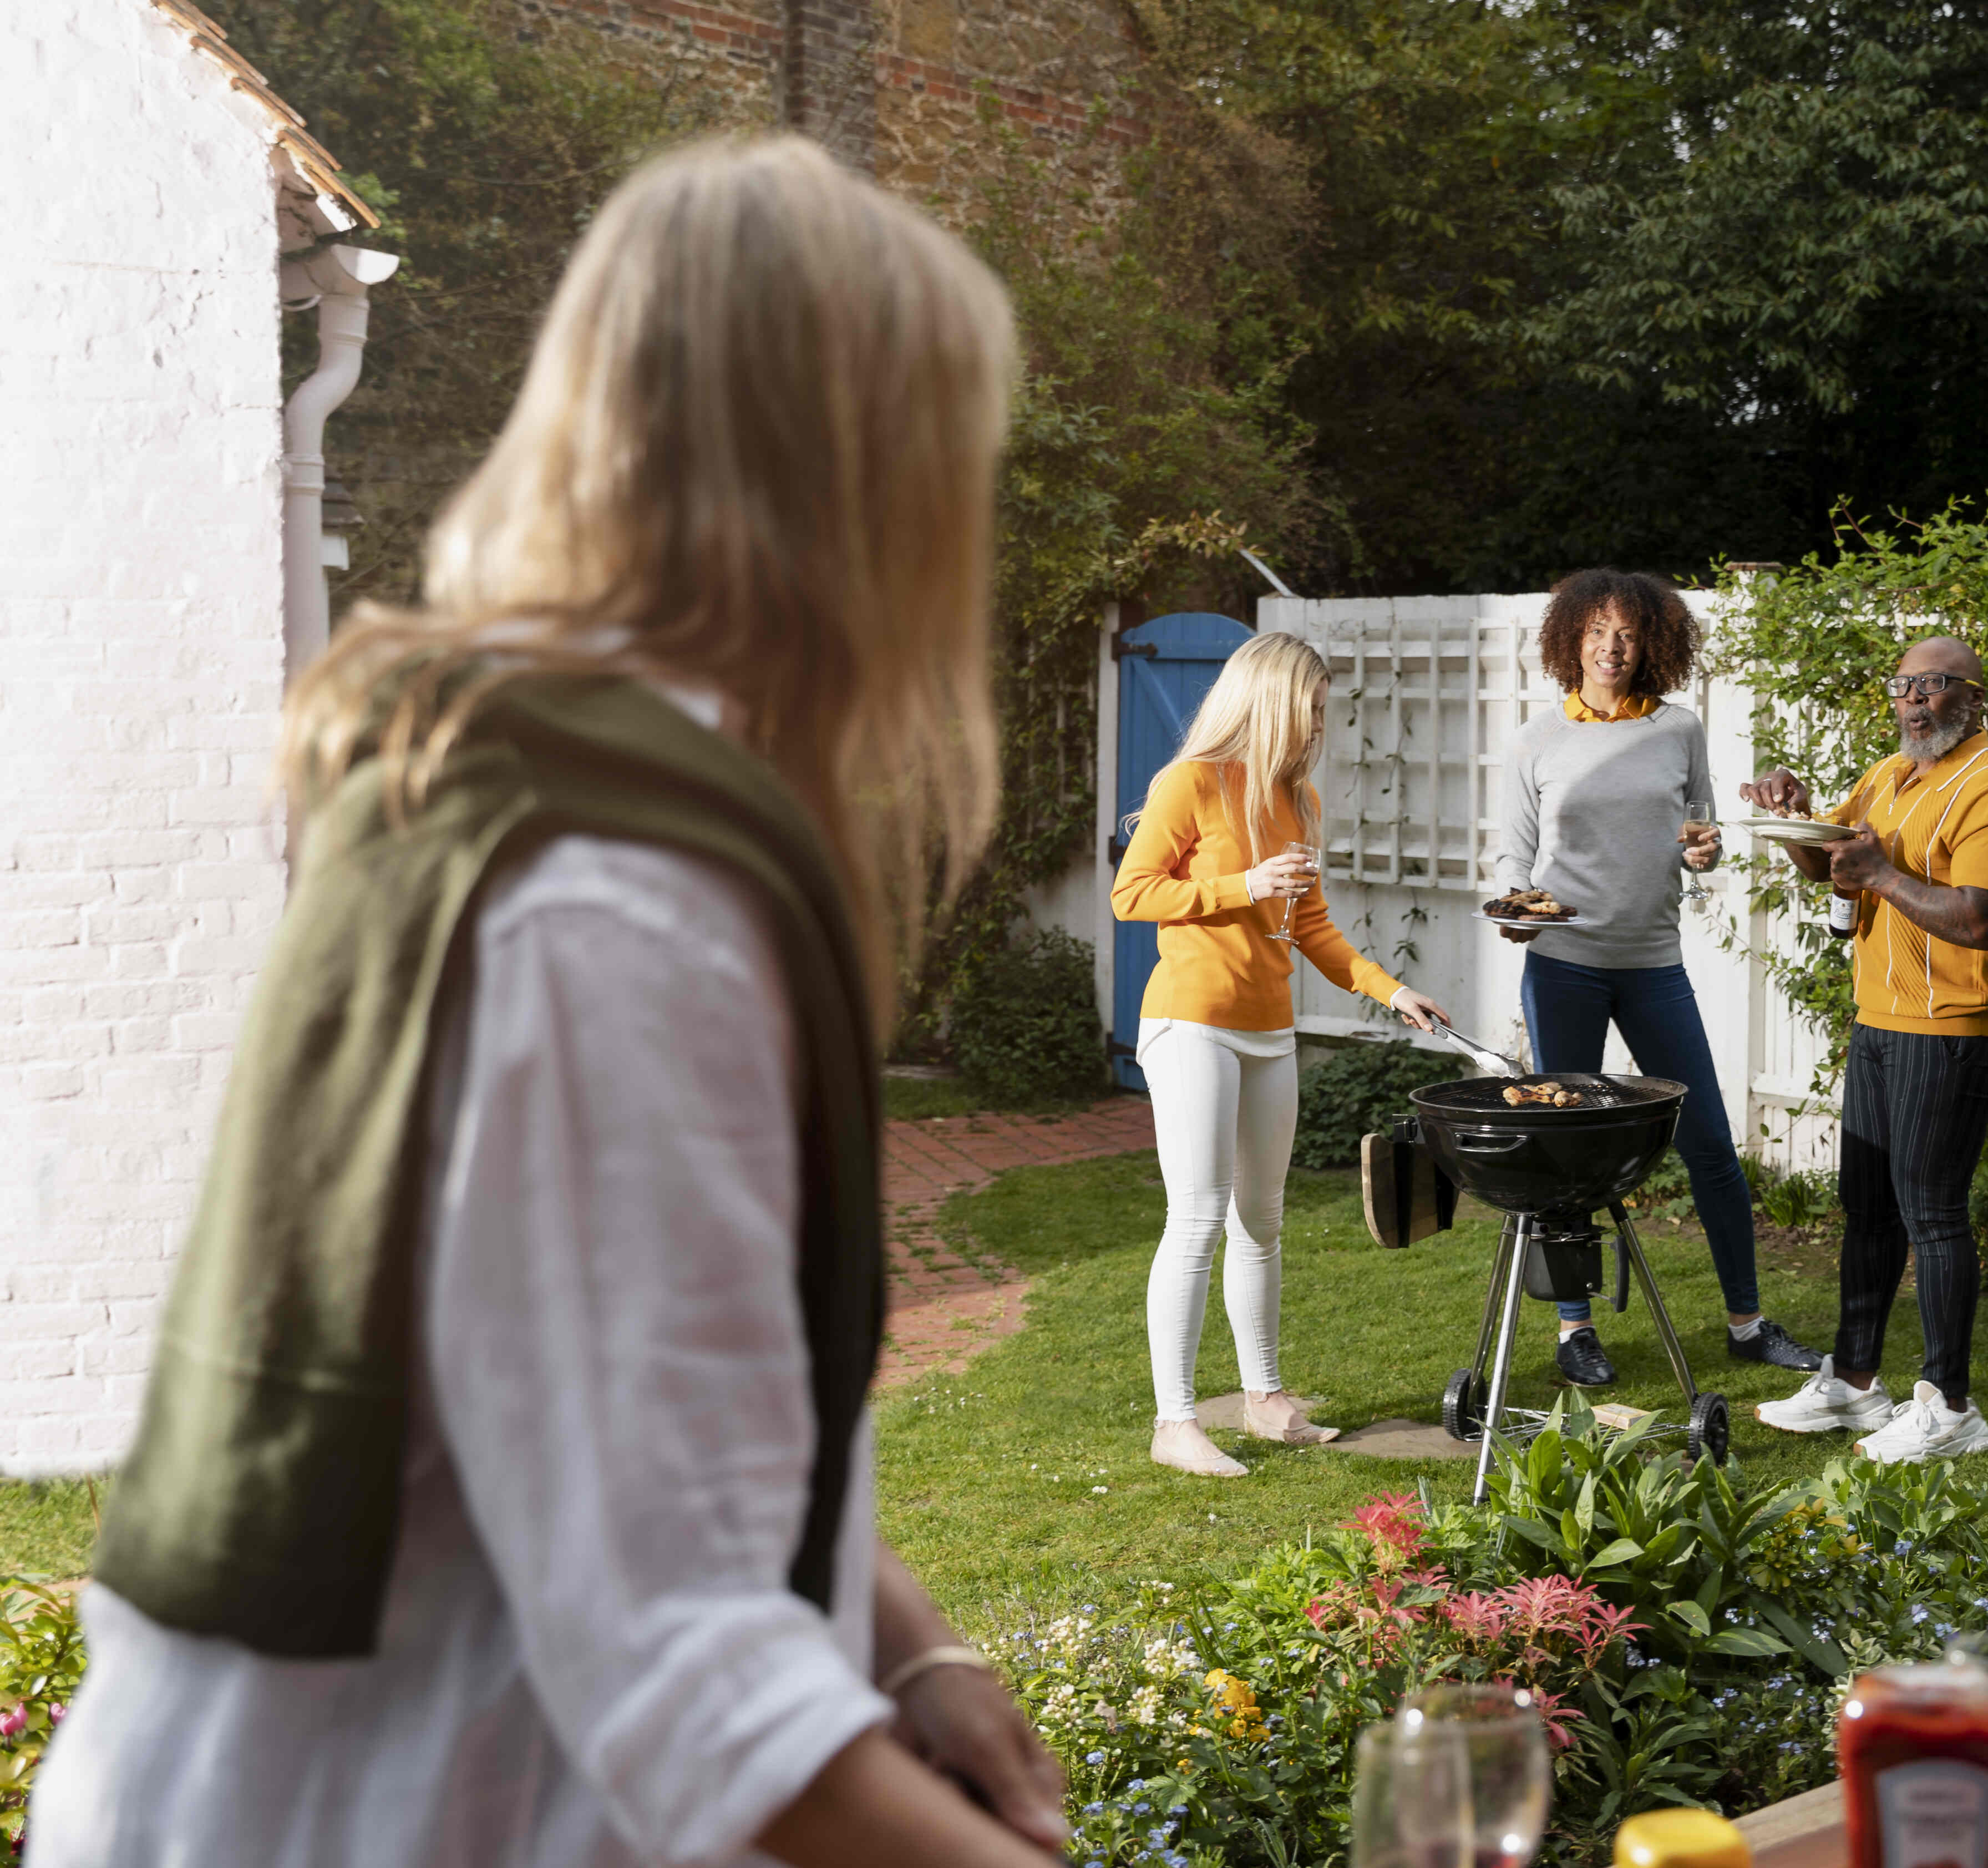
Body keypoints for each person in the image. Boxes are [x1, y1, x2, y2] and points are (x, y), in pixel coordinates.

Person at [34, 139, 1068, 1868]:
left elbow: (609, 1408)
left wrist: (908, 1645)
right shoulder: (615, 902)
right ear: (864, 497)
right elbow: (687, 1678)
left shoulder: (503, 772)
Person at [1113, 632, 1452, 1478]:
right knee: (1196, 1217)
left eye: (1323, 709)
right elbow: (1133, 893)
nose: (1317, 723)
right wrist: (1242, 886)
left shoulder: (1296, 800)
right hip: (1191, 1021)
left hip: (1269, 1031)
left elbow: (1311, 926)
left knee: (1260, 1221)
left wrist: (1388, 988)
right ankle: (1175, 1423)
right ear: (1268, 701)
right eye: (1309, 706)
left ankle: (1265, 1400)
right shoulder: (1188, 784)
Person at [1494, 568, 1822, 1387]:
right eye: (1598, 630)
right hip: (1563, 966)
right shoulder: (1536, 739)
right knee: (1568, 1151)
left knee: (1709, 1140)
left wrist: (1702, 853)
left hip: (1653, 964)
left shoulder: (1679, 731)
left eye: (1628, 633)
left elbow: (1697, 836)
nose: (1611, 646)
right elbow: (1512, 858)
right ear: (1571, 638)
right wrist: (1511, 909)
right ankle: (1576, 1330)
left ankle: (1746, 1323)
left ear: (1652, 646)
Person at [1740, 634, 1988, 1462]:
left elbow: (1978, 921)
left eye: (1933, 685)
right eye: (1903, 686)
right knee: (1867, 1208)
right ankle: (1857, 1385)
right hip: (1882, 1019)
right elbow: (1826, 865)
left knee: (1933, 1214)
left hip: (1954, 1029)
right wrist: (1793, 815)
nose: (1912, 701)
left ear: (1974, 699)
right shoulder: (1888, 776)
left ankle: (1951, 1407)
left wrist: (1879, 876)